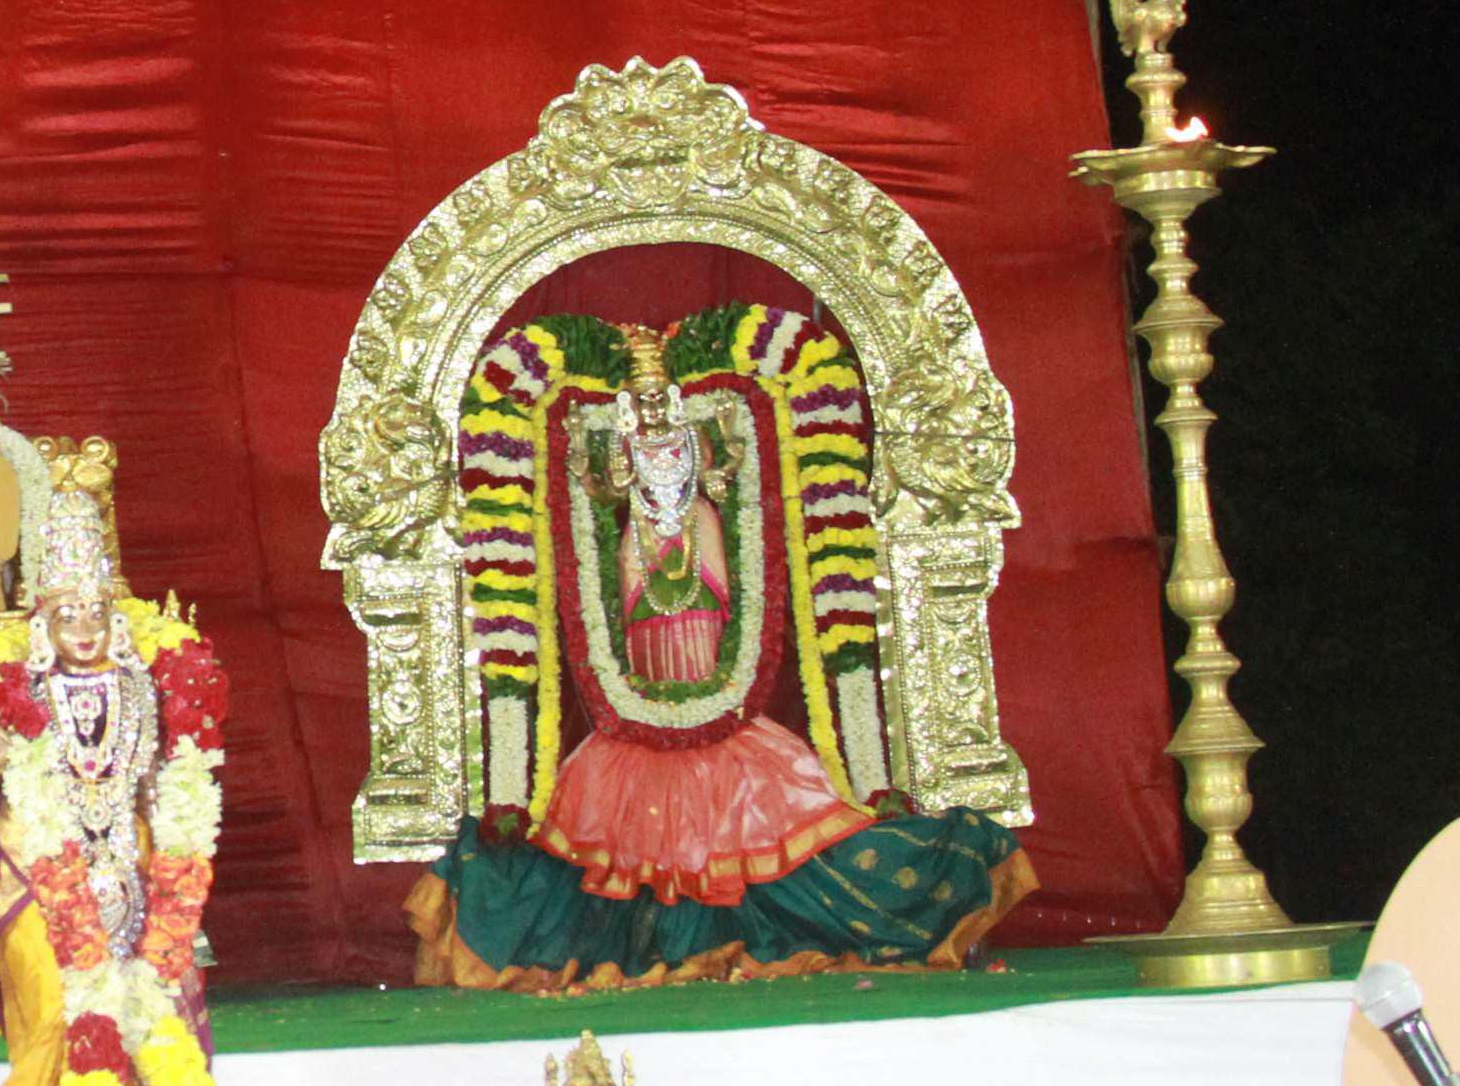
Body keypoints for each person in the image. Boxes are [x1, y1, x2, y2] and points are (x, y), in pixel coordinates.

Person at [415, 391, 1023, 985]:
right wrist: (588, 464)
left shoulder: (703, 506)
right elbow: (607, 503)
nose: (655, 425)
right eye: (644, 413)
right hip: (641, 657)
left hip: (708, 644)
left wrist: (718, 461)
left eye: (663, 411)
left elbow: (723, 530)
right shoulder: (631, 505)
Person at [0, 496, 230, 1086]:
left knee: (135, 997)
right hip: (28, 856)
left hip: (122, 858)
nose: (83, 629)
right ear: (43, 624)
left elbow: (159, 780)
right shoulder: (15, 683)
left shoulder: (145, 685)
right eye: (67, 615)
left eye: (96, 614)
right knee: (54, 1000)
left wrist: (173, 864)